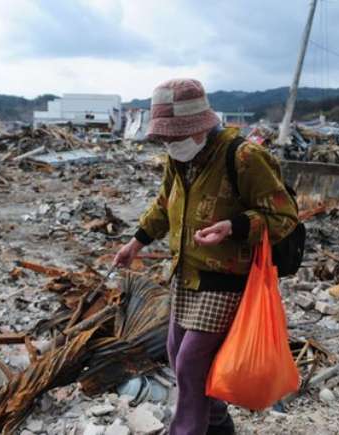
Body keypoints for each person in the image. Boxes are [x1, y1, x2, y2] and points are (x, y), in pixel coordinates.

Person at [114, 79, 298, 435]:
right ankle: (218, 425)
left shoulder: (244, 157)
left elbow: (284, 216)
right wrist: (136, 243)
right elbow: (164, 204)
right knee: (176, 354)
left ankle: (186, 431)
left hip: (226, 279)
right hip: (186, 274)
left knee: (191, 362)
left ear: (200, 126)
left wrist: (233, 226)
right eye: (165, 138)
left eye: (177, 136)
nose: (171, 144)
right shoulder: (178, 159)